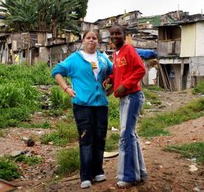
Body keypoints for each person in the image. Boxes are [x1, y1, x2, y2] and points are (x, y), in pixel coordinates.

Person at [51, 30, 113, 189]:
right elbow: (56, 71)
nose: (92, 40)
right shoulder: (75, 58)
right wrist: (66, 89)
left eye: (94, 38)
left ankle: (98, 171)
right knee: (86, 139)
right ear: (83, 40)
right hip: (82, 105)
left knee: (100, 138)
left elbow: (114, 73)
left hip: (101, 105)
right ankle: (85, 176)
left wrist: (110, 85)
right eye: (88, 38)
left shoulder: (103, 58)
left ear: (98, 41)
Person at [102, 24, 148, 188]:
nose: (114, 37)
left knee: (126, 135)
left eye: (118, 33)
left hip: (133, 96)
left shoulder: (128, 49)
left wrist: (125, 85)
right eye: (112, 34)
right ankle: (140, 172)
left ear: (124, 35)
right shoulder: (116, 53)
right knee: (131, 134)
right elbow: (121, 71)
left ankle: (129, 177)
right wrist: (111, 79)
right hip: (125, 97)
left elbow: (140, 69)